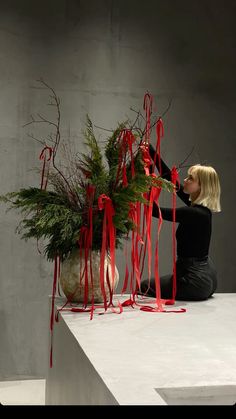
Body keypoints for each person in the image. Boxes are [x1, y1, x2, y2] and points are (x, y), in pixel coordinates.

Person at [140, 144, 221, 301]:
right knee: (151, 285)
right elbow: (169, 178)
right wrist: (150, 150)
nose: (185, 180)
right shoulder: (201, 209)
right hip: (207, 276)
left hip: (194, 281)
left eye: (191, 178)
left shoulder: (193, 213)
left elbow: (154, 211)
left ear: (201, 186)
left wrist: (147, 176)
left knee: (144, 286)